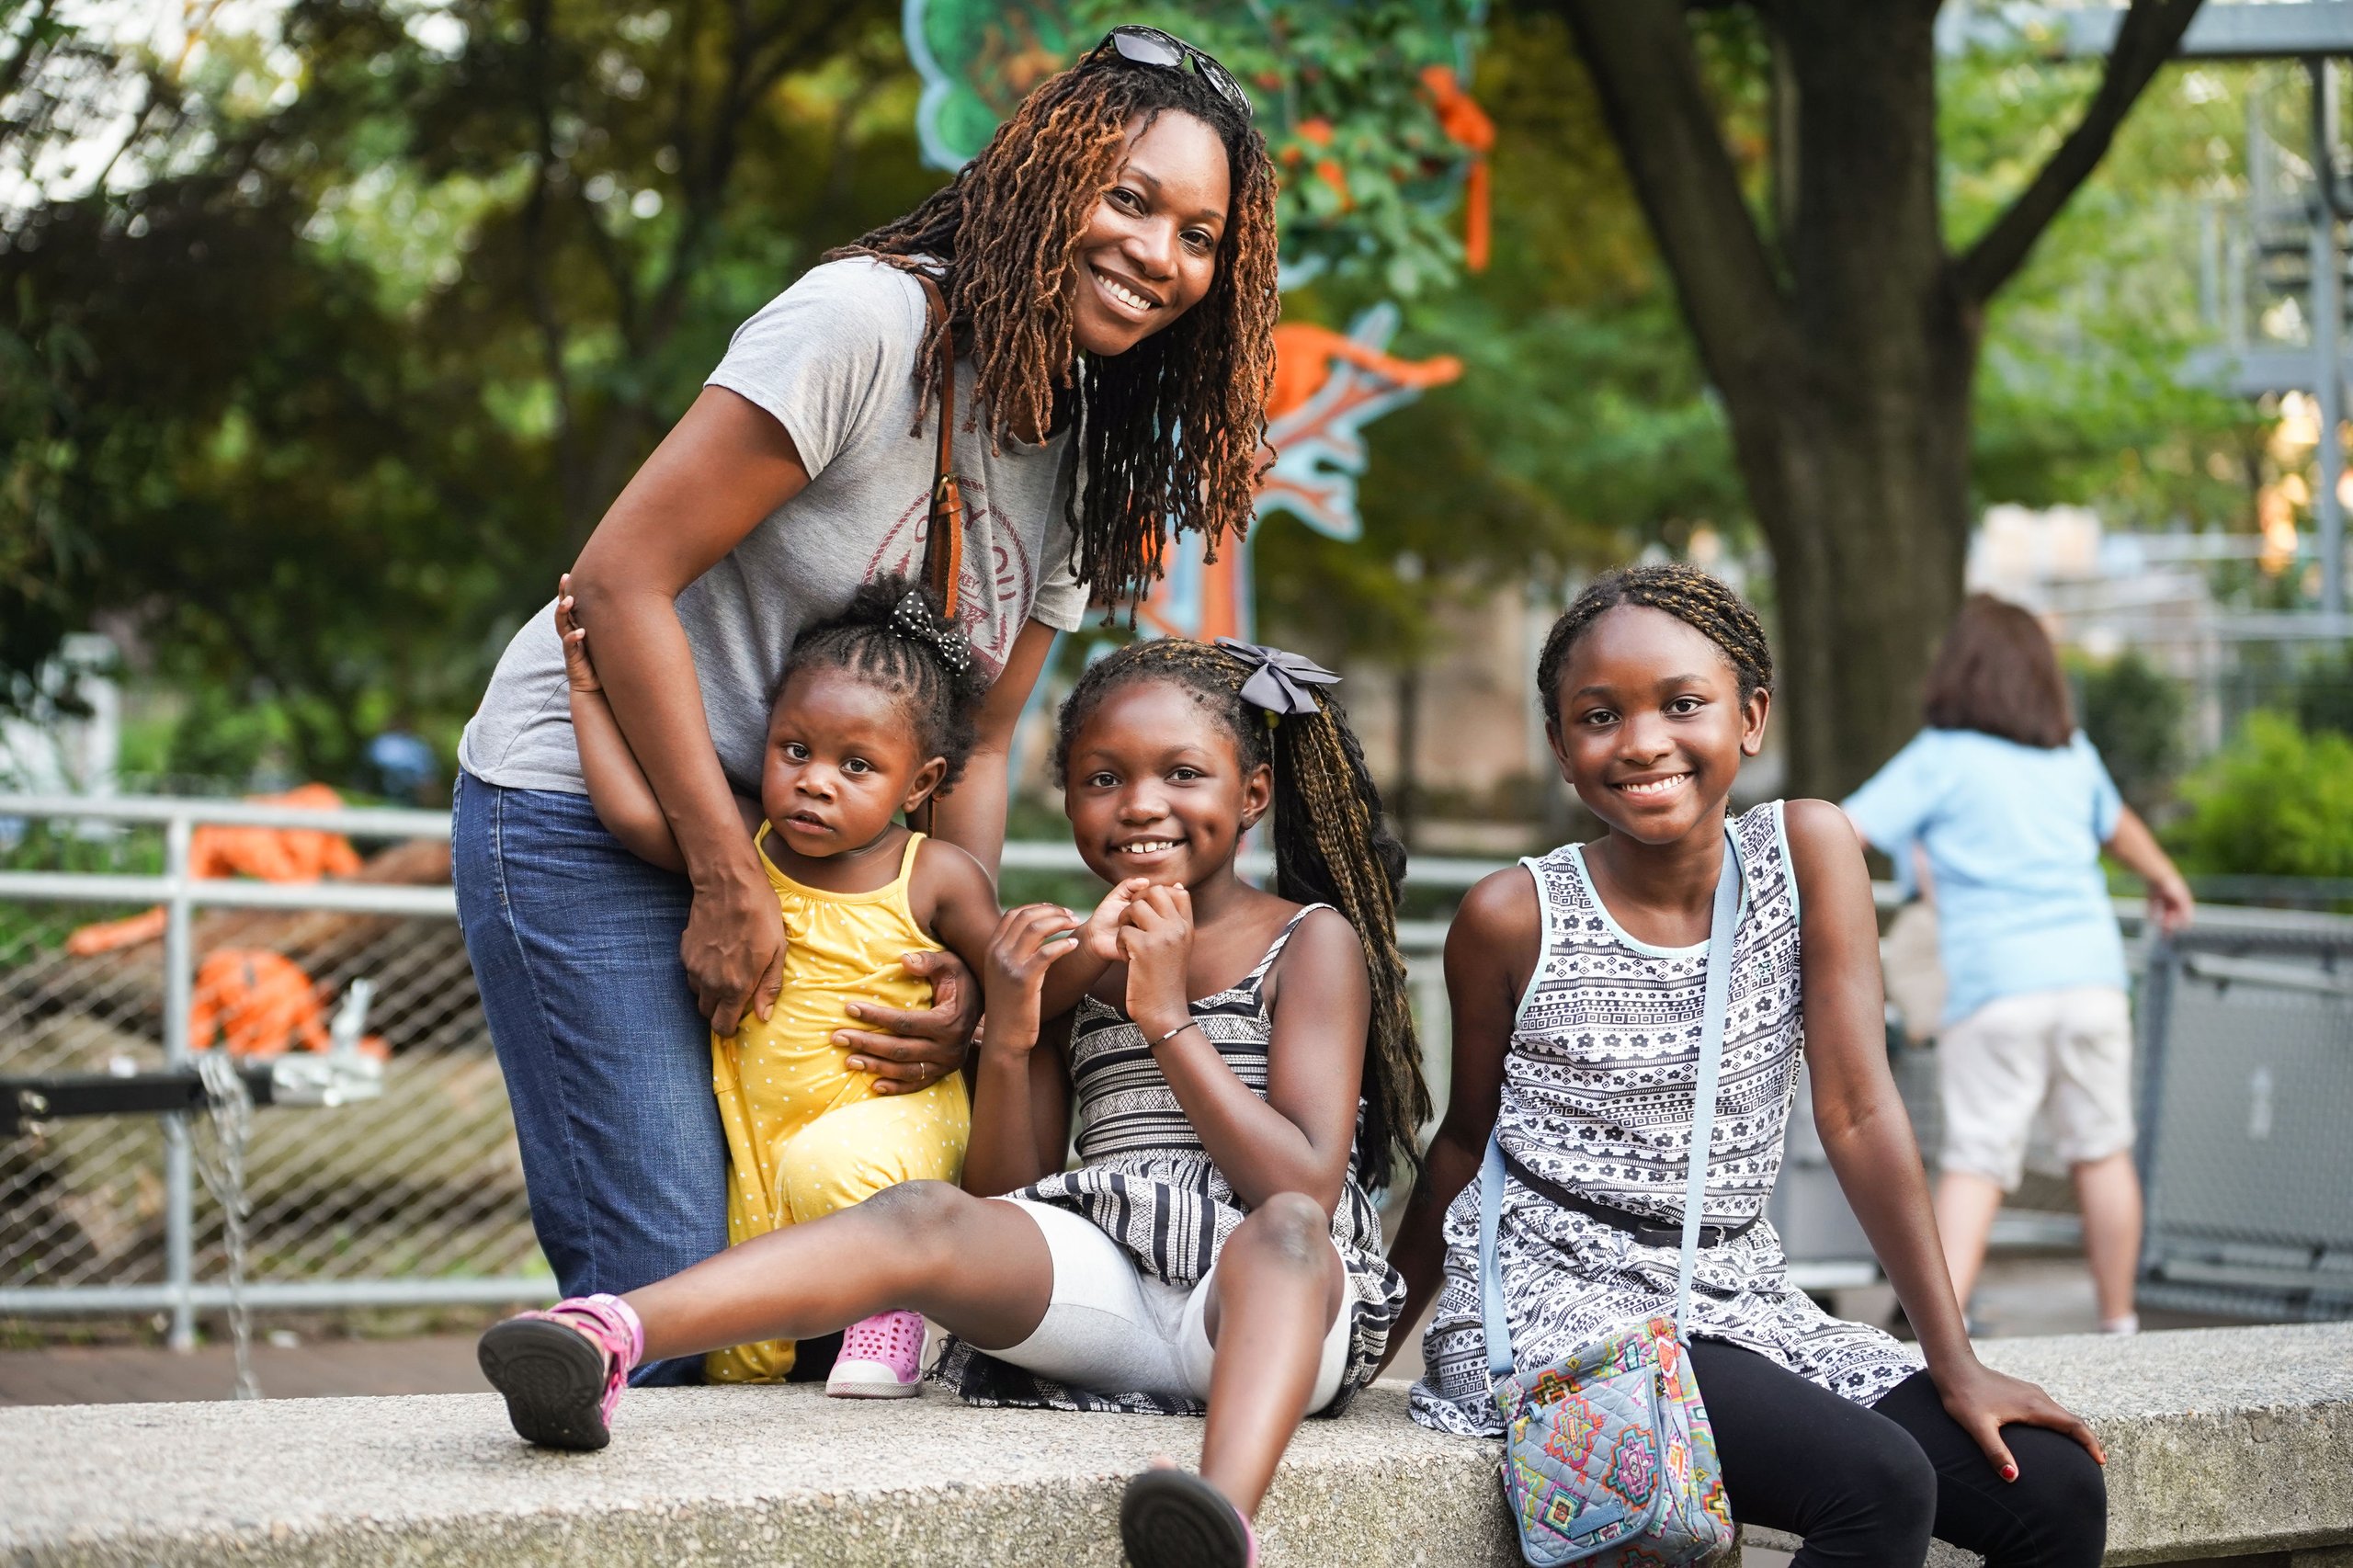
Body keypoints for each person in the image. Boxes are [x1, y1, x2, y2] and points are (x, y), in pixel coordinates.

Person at [449, 28, 1279, 1383]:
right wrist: (726, 874)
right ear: (1040, 173)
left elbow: (990, 735)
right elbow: (618, 579)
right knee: (671, 1265)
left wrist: (956, 932)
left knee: (826, 1277)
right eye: (1129, 198)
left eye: (1199, 234)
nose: (1157, 253)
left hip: (824, 856)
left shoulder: (1085, 446)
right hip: (595, 805)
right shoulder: (867, 324)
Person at [476, 637, 1427, 1568]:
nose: (1141, 805)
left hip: (1266, 1309)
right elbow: (1008, 1195)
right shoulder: (1070, 963)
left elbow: (1296, 1179)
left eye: (1181, 774)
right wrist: (1012, 1023)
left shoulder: (1309, 941)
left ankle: (1214, 1519)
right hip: (1116, 1295)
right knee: (924, 1213)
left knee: (1290, 1230)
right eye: (1101, 778)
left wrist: (1167, 1016)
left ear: (1249, 794)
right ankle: (607, 1334)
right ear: (1067, 799)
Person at [1391, 565, 2109, 1568]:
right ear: (1560, 747)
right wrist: (1368, 1346)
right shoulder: (1512, 915)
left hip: (1736, 1290)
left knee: (2056, 1491)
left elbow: (1858, 1110)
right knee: (1877, 1482)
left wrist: (1957, 1362)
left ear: (1749, 716)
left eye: (1682, 704)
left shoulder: (1807, 849)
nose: (1642, 740)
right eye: (1598, 716)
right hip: (1558, 1303)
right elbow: (1464, 1138)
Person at [560, 574, 1008, 1393]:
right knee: (743, 1357)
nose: (815, 780)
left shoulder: (935, 877)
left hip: (892, 1120)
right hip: (761, 1137)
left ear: (919, 785)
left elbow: (1006, 975)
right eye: (795, 751)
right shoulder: (748, 848)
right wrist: (587, 694)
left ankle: (894, 1311)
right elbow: (631, 814)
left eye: (857, 766)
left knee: (837, 1165)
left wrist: (973, 1012)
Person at [1843, 593, 2194, 1336]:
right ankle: (2121, 1325)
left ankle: (1937, 1337)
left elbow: (1846, 828)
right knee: (2101, 1154)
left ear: (1959, 673)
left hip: (1996, 988)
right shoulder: (2069, 753)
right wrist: (2166, 878)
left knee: (1976, 1162)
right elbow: (2120, 826)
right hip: (2092, 980)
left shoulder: (1942, 758)